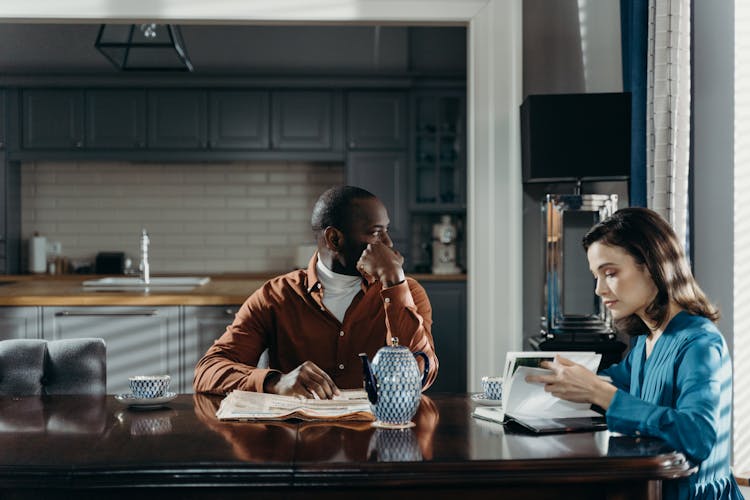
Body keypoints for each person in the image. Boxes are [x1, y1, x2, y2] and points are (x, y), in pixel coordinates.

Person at [527, 207, 743, 500]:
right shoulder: (646, 339)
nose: (599, 289)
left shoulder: (700, 344)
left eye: (610, 273)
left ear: (653, 265)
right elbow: (617, 380)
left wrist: (599, 392)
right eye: (596, 276)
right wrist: (556, 381)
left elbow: (697, 436)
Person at [194, 185, 438, 398]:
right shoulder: (274, 297)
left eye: (387, 230)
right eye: (376, 233)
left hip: (379, 439)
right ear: (334, 239)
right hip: (298, 441)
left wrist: (394, 281)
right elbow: (208, 371)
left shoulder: (407, 292)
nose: (388, 243)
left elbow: (420, 375)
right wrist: (275, 382)